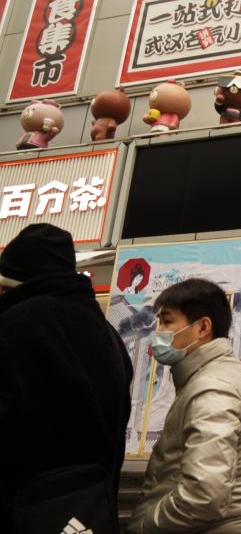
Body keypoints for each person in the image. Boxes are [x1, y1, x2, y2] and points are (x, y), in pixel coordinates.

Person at [0, 224, 132, 530]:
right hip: (89, 506)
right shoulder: (107, 333)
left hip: (23, 507)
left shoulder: (16, 324)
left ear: (12, 284)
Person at [128, 279, 241, 533]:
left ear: (202, 327)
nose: (158, 332)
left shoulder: (213, 388)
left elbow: (204, 495)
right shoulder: (211, 378)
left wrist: (144, 525)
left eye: (167, 321)